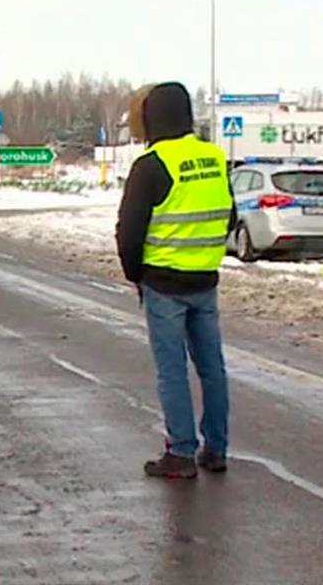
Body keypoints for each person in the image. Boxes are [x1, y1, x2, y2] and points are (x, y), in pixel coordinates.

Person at [116, 82, 235, 479]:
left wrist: (136, 275)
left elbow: (129, 231)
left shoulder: (151, 165)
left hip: (164, 283)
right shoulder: (214, 158)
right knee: (211, 367)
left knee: (172, 371)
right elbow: (229, 215)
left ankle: (182, 452)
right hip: (205, 279)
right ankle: (216, 448)